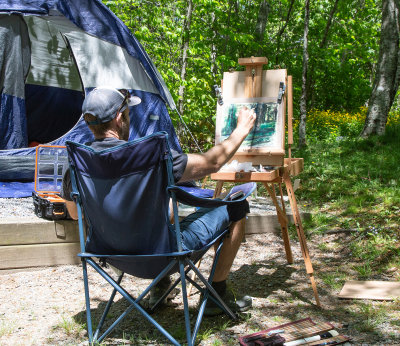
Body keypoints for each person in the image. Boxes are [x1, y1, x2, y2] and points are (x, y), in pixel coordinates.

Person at [62, 87, 256, 316]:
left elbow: (74, 214)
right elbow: (211, 163)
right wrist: (241, 129)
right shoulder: (149, 155)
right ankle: (216, 295)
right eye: (127, 113)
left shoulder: (76, 163)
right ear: (118, 117)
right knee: (236, 205)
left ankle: (161, 285)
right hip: (163, 256)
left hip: (113, 257)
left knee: (167, 206)